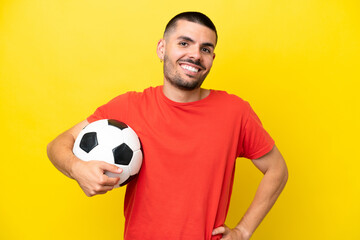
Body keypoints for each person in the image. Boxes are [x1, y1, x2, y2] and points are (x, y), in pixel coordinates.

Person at [47, 11, 288, 240]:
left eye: (205, 49)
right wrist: (77, 168)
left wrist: (244, 231)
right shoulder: (129, 106)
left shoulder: (236, 112)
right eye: (184, 43)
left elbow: (277, 169)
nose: (195, 55)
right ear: (162, 49)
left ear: (212, 59)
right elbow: (58, 144)